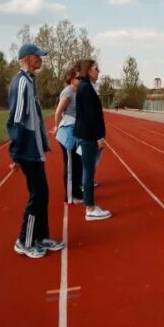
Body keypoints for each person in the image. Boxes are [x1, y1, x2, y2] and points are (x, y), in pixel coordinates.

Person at [8, 43, 63, 258]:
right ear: (27, 58)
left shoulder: (30, 81)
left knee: (43, 194)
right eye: (38, 57)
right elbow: (17, 119)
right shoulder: (21, 83)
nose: (41, 59)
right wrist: (16, 153)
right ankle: (25, 241)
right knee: (37, 194)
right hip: (27, 149)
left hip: (35, 148)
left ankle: (40, 236)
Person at [74, 59, 113, 222]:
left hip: (86, 134)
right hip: (89, 136)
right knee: (89, 172)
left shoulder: (84, 87)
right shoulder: (86, 89)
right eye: (96, 68)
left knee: (87, 171)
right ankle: (90, 208)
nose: (98, 71)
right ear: (88, 70)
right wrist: (99, 137)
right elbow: (91, 116)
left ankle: (89, 206)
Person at [51, 65, 84, 206]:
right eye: (78, 77)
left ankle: (76, 191)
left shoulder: (78, 91)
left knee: (77, 163)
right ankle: (70, 196)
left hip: (76, 131)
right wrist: (58, 129)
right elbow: (58, 112)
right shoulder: (68, 92)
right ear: (71, 78)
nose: (80, 80)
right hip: (68, 131)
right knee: (70, 164)